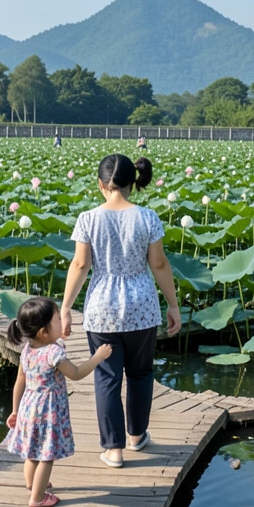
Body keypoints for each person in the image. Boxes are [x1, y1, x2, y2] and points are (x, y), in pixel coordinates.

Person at [60, 154, 182, 468]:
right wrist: (172, 304)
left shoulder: (88, 218)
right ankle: (137, 436)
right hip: (142, 304)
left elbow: (80, 265)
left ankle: (113, 449)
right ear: (132, 184)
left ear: (101, 184)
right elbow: (158, 264)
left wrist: (64, 309)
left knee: (106, 376)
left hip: (101, 307)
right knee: (141, 373)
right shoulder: (149, 217)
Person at [4, 297, 113, 507]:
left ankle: (31, 484)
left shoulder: (27, 349)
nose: (61, 323)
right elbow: (77, 373)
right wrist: (98, 357)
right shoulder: (53, 353)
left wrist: (15, 410)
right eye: (56, 320)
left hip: (28, 408)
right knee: (47, 455)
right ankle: (38, 497)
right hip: (48, 411)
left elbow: (20, 380)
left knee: (32, 451)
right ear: (44, 332)